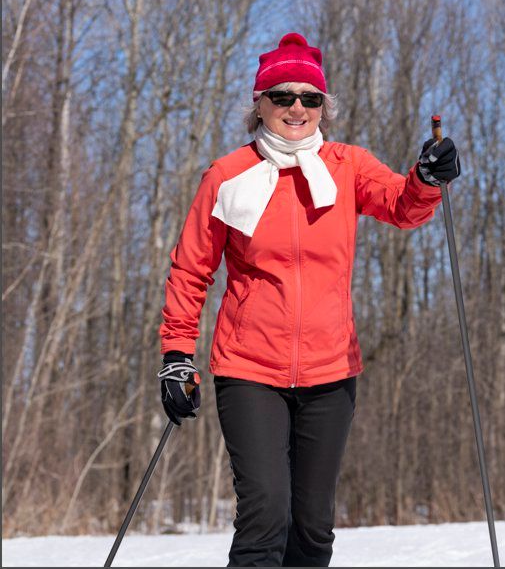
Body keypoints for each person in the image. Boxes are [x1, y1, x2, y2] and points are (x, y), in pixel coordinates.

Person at [157, 32, 460, 567]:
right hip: (249, 368)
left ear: (323, 106)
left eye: (310, 98)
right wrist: (177, 356)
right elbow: (191, 268)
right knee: (266, 513)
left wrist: (427, 178)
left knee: (313, 527)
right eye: (282, 96)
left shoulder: (347, 166)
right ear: (260, 104)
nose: (297, 108)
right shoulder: (227, 176)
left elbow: (403, 205)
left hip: (331, 370)